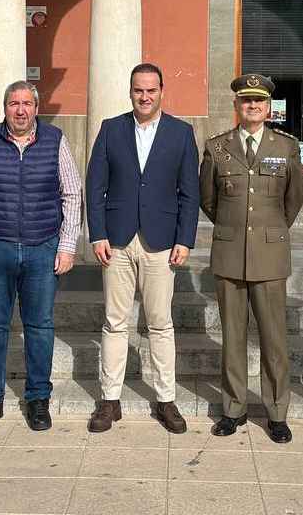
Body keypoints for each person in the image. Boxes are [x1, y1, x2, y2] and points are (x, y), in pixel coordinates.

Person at [0, 80, 82, 432]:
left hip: (43, 249)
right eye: (13, 104)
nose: (20, 110)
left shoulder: (55, 141)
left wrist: (68, 245)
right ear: (5, 108)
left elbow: (71, 193)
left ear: (36, 108)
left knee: (39, 326)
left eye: (26, 103)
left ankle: (38, 399)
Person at [85, 63, 199, 434]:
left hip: (161, 242)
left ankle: (166, 400)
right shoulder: (111, 129)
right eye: (138, 90)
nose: (144, 96)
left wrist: (184, 239)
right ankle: (109, 400)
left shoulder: (181, 134)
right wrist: (97, 234)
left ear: (162, 91)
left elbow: (189, 193)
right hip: (116, 240)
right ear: (130, 92)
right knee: (115, 322)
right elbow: (95, 185)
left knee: (160, 324)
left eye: (151, 90)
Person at [199, 74, 303, 443]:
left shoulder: (286, 146)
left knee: (274, 339)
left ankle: (277, 412)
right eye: (246, 101)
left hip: (271, 256)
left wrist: (268, 230)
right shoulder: (217, 147)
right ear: (236, 106)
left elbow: (292, 201)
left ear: (269, 107)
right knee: (232, 336)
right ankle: (234, 409)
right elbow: (209, 200)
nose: (253, 106)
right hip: (229, 254)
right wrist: (234, 227)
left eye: (259, 101)